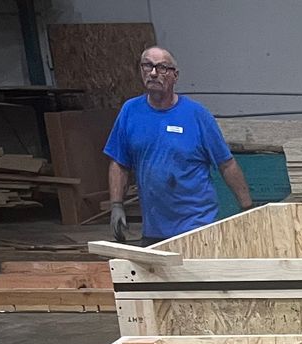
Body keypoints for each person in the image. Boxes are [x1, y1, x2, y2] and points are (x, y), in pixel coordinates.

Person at [104, 46, 252, 244]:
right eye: (147, 65)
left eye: (162, 67)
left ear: (175, 75)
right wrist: (116, 205)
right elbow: (119, 163)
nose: (154, 73)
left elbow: (226, 164)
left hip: (197, 226)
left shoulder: (197, 115)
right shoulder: (130, 111)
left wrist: (247, 209)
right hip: (154, 228)